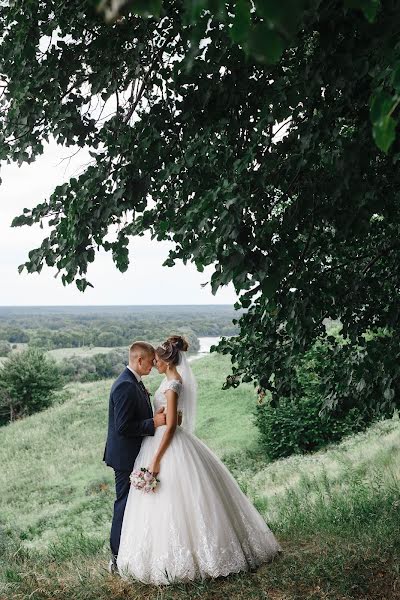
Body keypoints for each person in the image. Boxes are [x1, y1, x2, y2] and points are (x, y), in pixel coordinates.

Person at [117, 335, 282, 585]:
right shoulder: (168, 382)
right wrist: (158, 416)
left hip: (166, 445)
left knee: (178, 500)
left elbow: (171, 427)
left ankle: (193, 559)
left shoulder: (173, 384)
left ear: (167, 362)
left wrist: (156, 460)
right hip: (157, 439)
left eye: (157, 361)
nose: (155, 365)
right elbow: (168, 417)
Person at [103, 341, 167, 573]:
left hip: (136, 453)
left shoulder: (135, 383)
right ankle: (117, 558)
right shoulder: (125, 386)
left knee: (134, 506)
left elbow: (135, 415)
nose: (153, 365)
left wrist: (153, 416)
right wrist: (153, 423)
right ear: (139, 360)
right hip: (124, 457)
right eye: (150, 362)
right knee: (123, 505)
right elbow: (123, 427)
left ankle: (132, 554)